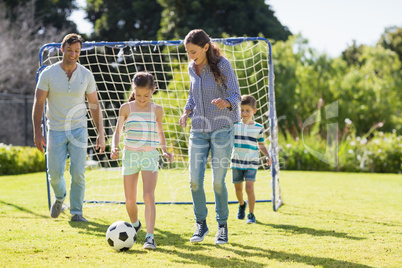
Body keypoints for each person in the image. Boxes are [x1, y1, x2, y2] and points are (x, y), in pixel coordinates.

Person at [32, 33, 105, 222]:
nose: (73, 54)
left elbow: (94, 105)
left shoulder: (86, 75)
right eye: (70, 50)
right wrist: (37, 133)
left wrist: (101, 134)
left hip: (79, 129)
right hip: (55, 129)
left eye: (77, 51)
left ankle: (76, 212)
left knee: (78, 172)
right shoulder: (48, 73)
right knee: (55, 174)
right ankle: (59, 197)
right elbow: (39, 103)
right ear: (62, 49)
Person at [179, 29, 241, 245]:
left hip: (222, 128)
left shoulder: (222, 64)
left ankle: (222, 226)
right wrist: (186, 112)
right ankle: (201, 223)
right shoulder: (191, 68)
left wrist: (226, 102)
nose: (190, 56)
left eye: (193, 51)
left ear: (205, 47)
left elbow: (236, 94)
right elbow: (192, 96)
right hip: (198, 130)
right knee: (194, 181)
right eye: (188, 52)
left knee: (217, 182)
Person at [110, 72, 173, 250]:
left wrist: (165, 150)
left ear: (153, 90)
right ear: (133, 90)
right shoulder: (126, 108)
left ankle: (150, 237)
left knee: (148, 195)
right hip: (130, 156)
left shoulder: (157, 109)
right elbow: (118, 131)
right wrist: (115, 147)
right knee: (130, 200)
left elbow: (160, 132)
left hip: (150, 156)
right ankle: (136, 224)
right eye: (138, 95)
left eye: (146, 95)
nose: (142, 98)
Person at [230, 95, 272, 224]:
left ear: (254, 110)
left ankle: (251, 214)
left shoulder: (258, 127)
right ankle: (242, 204)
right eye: (241, 110)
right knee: (238, 189)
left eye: (247, 110)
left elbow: (261, 144)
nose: (244, 113)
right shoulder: (234, 125)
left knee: (249, 188)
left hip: (251, 162)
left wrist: (267, 155)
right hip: (236, 161)